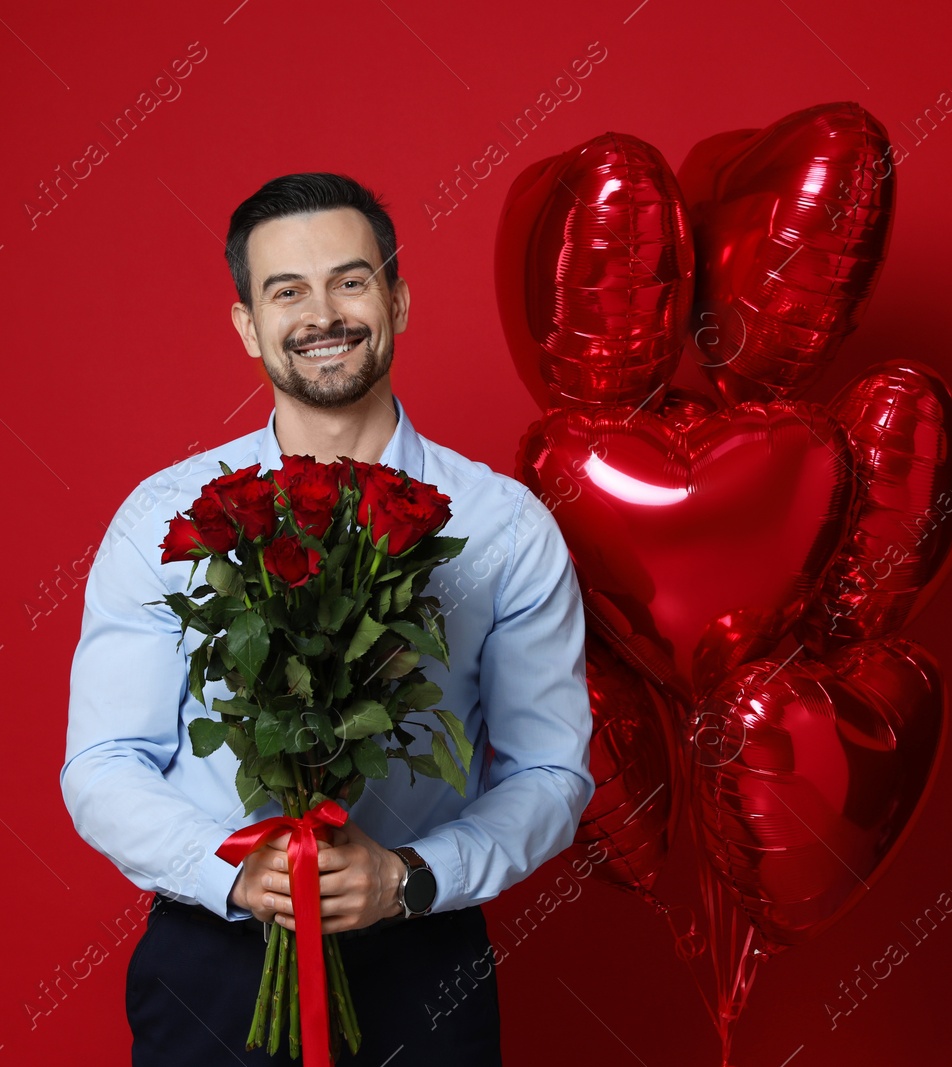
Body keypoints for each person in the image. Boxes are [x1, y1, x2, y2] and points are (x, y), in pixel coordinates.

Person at [60, 172, 594, 1066]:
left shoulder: (503, 526)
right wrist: (233, 868)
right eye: (288, 291)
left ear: (398, 299)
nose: (324, 314)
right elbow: (103, 763)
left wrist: (410, 877)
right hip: (212, 968)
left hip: (425, 961)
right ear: (247, 326)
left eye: (351, 280)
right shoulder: (164, 515)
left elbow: (551, 770)